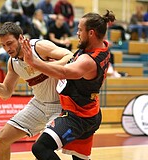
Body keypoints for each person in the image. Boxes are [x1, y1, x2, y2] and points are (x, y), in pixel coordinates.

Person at [0, 22, 73, 160]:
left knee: (41, 149)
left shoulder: (38, 47)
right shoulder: (13, 63)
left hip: (59, 106)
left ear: (20, 38)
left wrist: (42, 66)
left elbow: (69, 56)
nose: (7, 48)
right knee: (1, 139)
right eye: (3, 45)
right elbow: (6, 93)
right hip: (38, 104)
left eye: (10, 43)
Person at [22, 10, 115, 160]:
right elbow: (72, 62)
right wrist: (51, 63)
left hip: (78, 116)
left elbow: (64, 73)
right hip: (90, 111)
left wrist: (35, 62)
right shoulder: (101, 46)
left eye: (80, 30)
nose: (77, 33)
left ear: (91, 33)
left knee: (41, 147)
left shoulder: (88, 61)